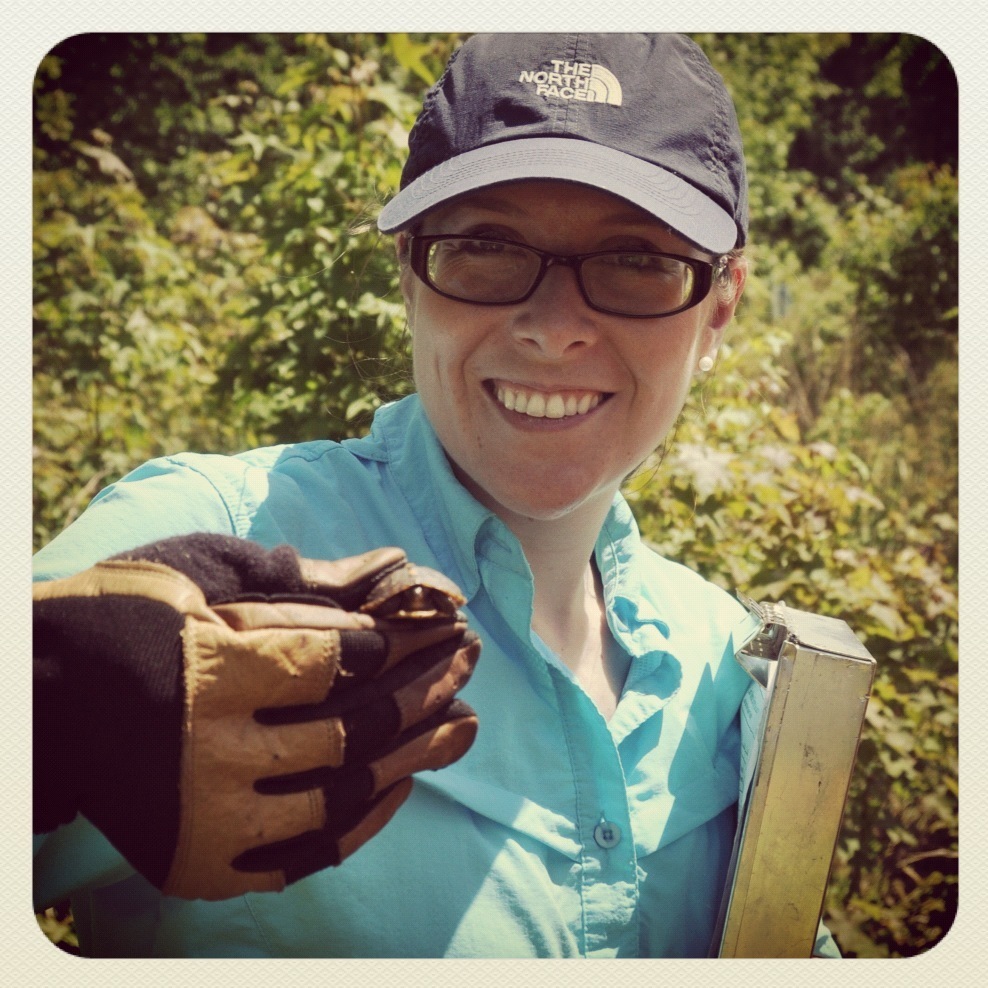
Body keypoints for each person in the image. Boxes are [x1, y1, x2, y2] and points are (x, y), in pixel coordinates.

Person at [32, 33, 839, 958]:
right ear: (410, 275)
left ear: (720, 306)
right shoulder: (217, 543)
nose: (554, 330)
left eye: (636, 260)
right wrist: (55, 706)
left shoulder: (725, 658)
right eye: (486, 246)